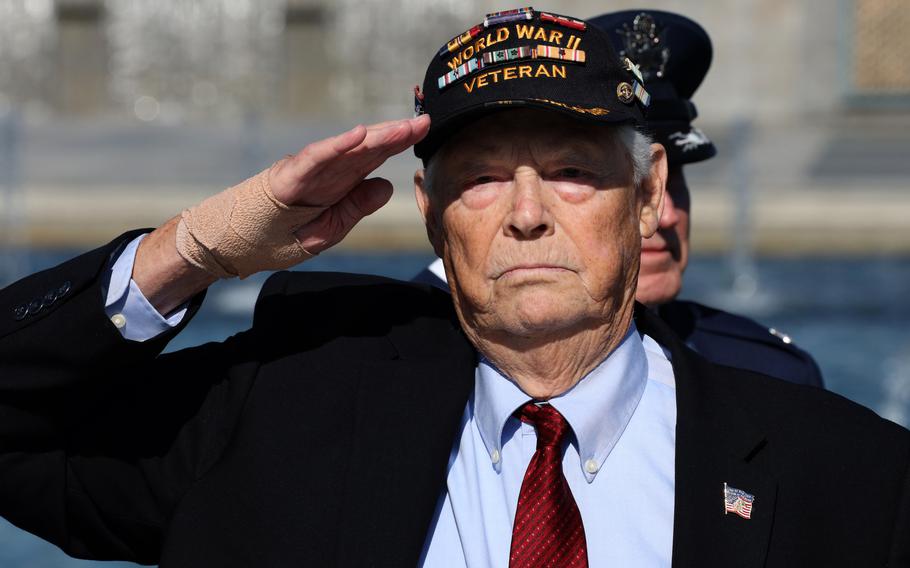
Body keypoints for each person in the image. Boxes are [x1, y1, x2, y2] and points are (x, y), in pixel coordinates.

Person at [1, 8, 907, 568]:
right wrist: (191, 250)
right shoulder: (282, 418)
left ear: (650, 195)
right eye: (480, 178)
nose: (525, 214)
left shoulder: (844, 471)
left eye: (570, 172)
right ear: (432, 212)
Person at [413, 9, 824, 388]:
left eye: (670, 184)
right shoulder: (395, 357)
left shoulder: (761, 374)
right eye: (486, 177)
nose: (666, 215)